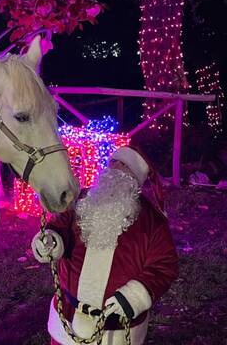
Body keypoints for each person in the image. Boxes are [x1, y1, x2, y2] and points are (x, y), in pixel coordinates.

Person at [32, 146, 179, 345]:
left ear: (135, 178)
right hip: (68, 318)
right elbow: (60, 226)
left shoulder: (152, 222)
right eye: (113, 162)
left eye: (124, 165)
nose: (115, 167)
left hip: (116, 329)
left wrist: (135, 296)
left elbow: (165, 266)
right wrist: (51, 239)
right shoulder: (82, 199)